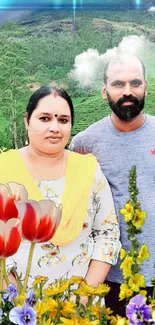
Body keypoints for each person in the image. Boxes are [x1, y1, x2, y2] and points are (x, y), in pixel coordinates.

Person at [0, 85, 120, 289]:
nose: (55, 127)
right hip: (16, 307)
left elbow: (107, 234)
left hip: (80, 307)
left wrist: (84, 295)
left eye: (63, 120)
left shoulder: (88, 170)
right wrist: (15, 298)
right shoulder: (4, 168)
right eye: (45, 118)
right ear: (27, 120)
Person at [70, 53, 155, 315]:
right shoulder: (85, 144)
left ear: (146, 88)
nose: (127, 91)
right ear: (104, 91)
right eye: (118, 84)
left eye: (135, 83)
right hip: (112, 277)